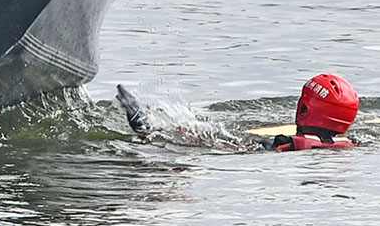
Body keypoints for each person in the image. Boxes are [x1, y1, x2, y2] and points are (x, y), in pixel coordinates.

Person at [116, 73, 359, 151]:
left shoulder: (284, 143)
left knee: (214, 141)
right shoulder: (350, 145)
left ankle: (149, 128)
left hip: (259, 156)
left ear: (304, 108)